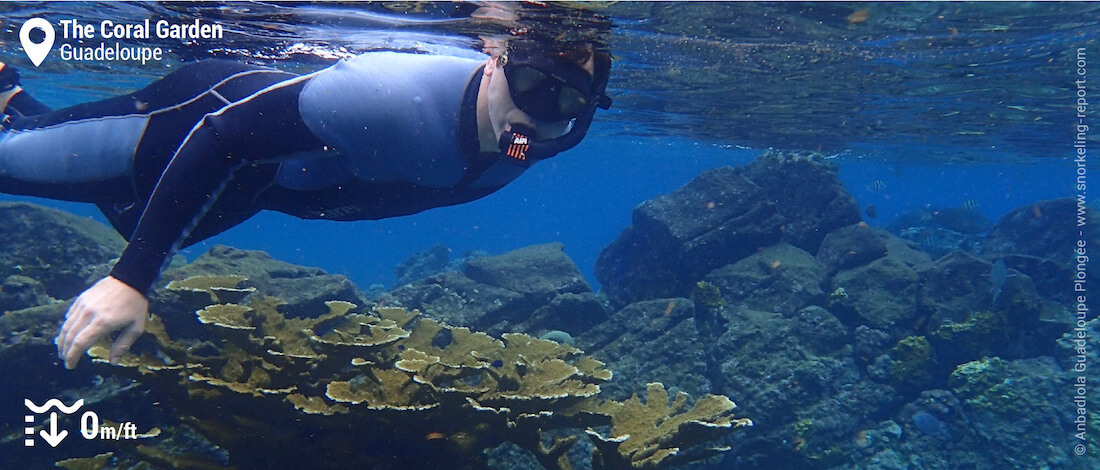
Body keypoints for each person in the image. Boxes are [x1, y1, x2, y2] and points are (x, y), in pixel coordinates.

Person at [0, 42, 612, 370]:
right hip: (192, 126)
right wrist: (132, 279)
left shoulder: (555, 133)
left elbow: (554, 111)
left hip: (257, 187)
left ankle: (12, 97)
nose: (536, 114)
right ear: (494, 58)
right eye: (529, 85)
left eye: (565, 104)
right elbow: (222, 137)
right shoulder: (389, 98)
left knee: (134, 219)